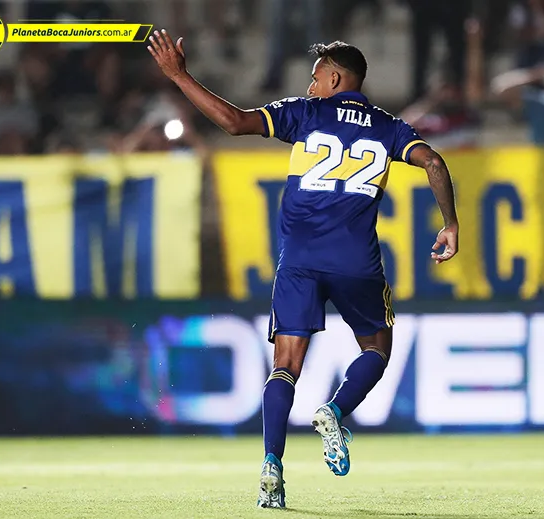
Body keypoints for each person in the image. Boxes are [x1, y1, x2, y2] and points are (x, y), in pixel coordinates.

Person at [147, 29, 458, 508]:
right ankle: (336, 409)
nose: (310, 86)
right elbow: (434, 163)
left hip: (299, 261)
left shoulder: (305, 112)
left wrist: (179, 77)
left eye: (316, 78)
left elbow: (233, 122)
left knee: (285, 367)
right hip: (357, 261)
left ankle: (272, 466)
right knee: (377, 349)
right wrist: (450, 224)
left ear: (335, 79)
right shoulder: (389, 126)